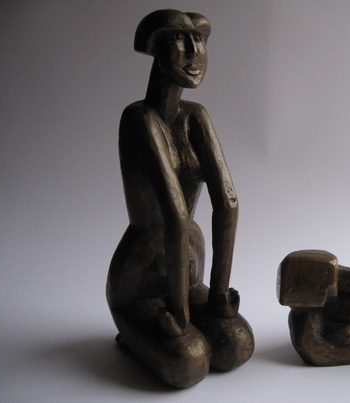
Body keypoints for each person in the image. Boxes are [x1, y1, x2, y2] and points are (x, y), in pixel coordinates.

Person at [106, 10, 253, 388]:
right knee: (190, 361)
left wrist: (219, 295)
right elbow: (173, 215)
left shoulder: (195, 116)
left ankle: (180, 318)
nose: (194, 53)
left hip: (188, 268)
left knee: (236, 344)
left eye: (199, 41)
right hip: (139, 279)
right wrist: (179, 314)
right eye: (179, 40)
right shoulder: (140, 118)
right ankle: (136, 330)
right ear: (155, 49)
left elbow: (228, 203)